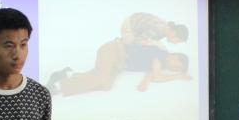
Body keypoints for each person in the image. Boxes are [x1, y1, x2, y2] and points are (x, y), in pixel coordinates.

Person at [46, 38, 190, 96]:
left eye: (176, 70)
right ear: (175, 56)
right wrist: (178, 76)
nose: (174, 69)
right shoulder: (161, 54)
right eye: (177, 66)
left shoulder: (160, 60)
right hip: (114, 51)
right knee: (101, 78)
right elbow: (157, 76)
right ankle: (57, 87)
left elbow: (152, 73)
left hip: (117, 63)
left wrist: (145, 82)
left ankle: (66, 75)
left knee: (106, 85)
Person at [120, 12, 188, 47]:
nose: (175, 43)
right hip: (130, 25)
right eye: (178, 41)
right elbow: (138, 41)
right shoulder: (159, 29)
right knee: (131, 47)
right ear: (174, 33)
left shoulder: (165, 29)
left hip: (135, 25)